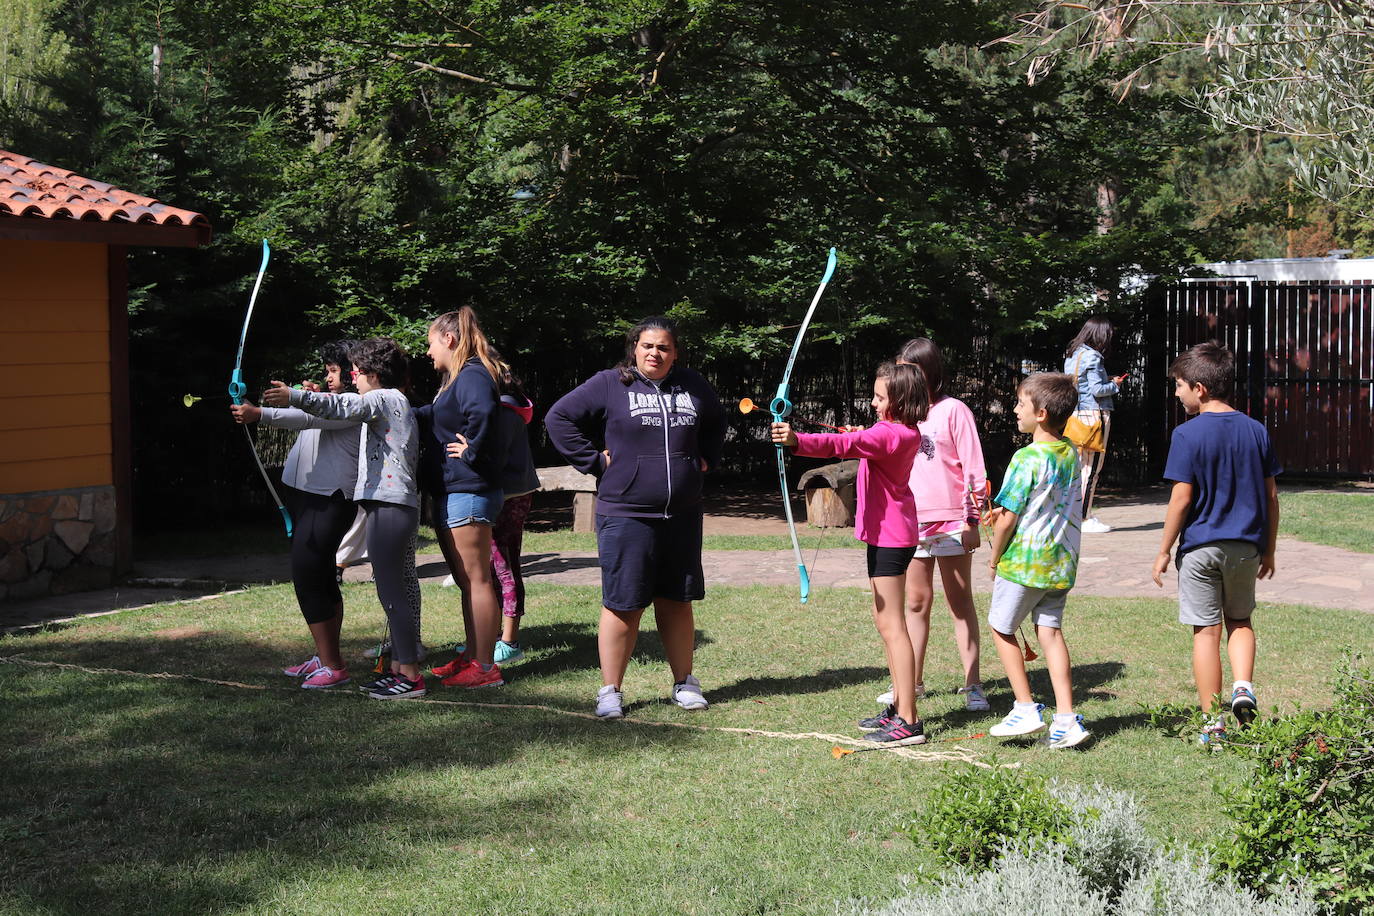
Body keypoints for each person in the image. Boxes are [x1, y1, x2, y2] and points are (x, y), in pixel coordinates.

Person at [546, 316, 724, 720]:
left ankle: (685, 683)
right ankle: (610, 691)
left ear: (675, 352)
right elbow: (558, 419)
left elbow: (715, 421)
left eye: (663, 347)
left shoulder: (693, 385)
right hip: (626, 513)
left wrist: (707, 460)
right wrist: (593, 461)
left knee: (677, 599)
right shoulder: (611, 384)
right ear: (635, 348)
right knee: (623, 603)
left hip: (682, 512)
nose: (655, 353)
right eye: (647, 346)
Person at [772, 362, 930, 746]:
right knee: (886, 623)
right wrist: (865, 434)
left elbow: (840, 445)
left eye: (879, 398)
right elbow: (868, 439)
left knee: (894, 627)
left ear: (900, 400)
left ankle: (908, 720)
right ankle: (898, 707)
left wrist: (797, 441)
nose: (873, 403)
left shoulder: (889, 436)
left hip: (892, 538)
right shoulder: (898, 432)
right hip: (889, 535)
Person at [263, 338, 426, 699]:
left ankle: (411, 676)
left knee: (392, 593)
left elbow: (341, 407)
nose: (353, 379)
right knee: (392, 589)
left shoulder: (384, 398)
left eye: (357, 372)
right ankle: (400, 668)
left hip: (391, 505)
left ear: (374, 374)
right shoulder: (391, 401)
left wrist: (294, 395)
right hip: (388, 505)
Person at [1151, 341, 1280, 745]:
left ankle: (1214, 722)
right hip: (1246, 547)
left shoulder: (1187, 435)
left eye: (1179, 385)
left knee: (1205, 631)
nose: (1176, 393)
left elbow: (1181, 498)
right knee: (1240, 621)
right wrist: (1270, 548)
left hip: (1201, 548)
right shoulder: (1256, 430)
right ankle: (1243, 686)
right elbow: (1272, 497)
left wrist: (1163, 550)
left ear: (1200, 388)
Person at [230, 340, 359, 689]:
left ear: (351, 373)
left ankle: (333, 666)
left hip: (329, 500)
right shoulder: (332, 402)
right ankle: (326, 656)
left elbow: (314, 414)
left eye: (334, 371)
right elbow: (310, 415)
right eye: (328, 370)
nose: (328, 376)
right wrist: (288, 403)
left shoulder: (353, 403)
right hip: (309, 497)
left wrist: (260, 414)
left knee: (309, 576)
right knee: (319, 577)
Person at [985, 372, 1090, 749]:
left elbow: (1009, 517)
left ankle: (1026, 707)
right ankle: (1065, 719)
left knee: (1001, 627)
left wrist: (995, 557)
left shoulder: (1026, 458)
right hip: (1060, 564)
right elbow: (1039, 506)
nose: (1015, 410)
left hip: (1025, 565)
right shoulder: (1070, 452)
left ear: (1041, 413)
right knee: (1050, 632)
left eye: (1020, 405)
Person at [891, 337, 989, 711]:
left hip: (952, 524)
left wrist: (972, 519)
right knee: (916, 603)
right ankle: (909, 683)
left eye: (907, 369)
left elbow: (974, 469)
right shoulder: (899, 413)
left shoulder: (954, 411)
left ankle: (973, 685)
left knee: (960, 603)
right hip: (910, 525)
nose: (901, 377)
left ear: (926, 372)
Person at [416, 308, 508, 689]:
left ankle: (486, 667)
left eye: (430, 343)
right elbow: (434, 417)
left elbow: (484, 414)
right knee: (466, 579)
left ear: (449, 340)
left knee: (477, 579)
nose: (428, 352)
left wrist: (471, 453)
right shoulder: (457, 379)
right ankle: (473, 657)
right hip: (455, 489)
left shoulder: (471, 374)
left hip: (470, 488)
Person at [1063, 316, 1127, 533]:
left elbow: (1081, 385)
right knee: (1092, 469)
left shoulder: (1073, 354)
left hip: (1076, 415)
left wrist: (1106, 379)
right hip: (1094, 416)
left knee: (1078, 466)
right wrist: (1115, 384)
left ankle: (1072, 514)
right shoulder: (1094, 357)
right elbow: (1098, 390)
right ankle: (1084, 518)